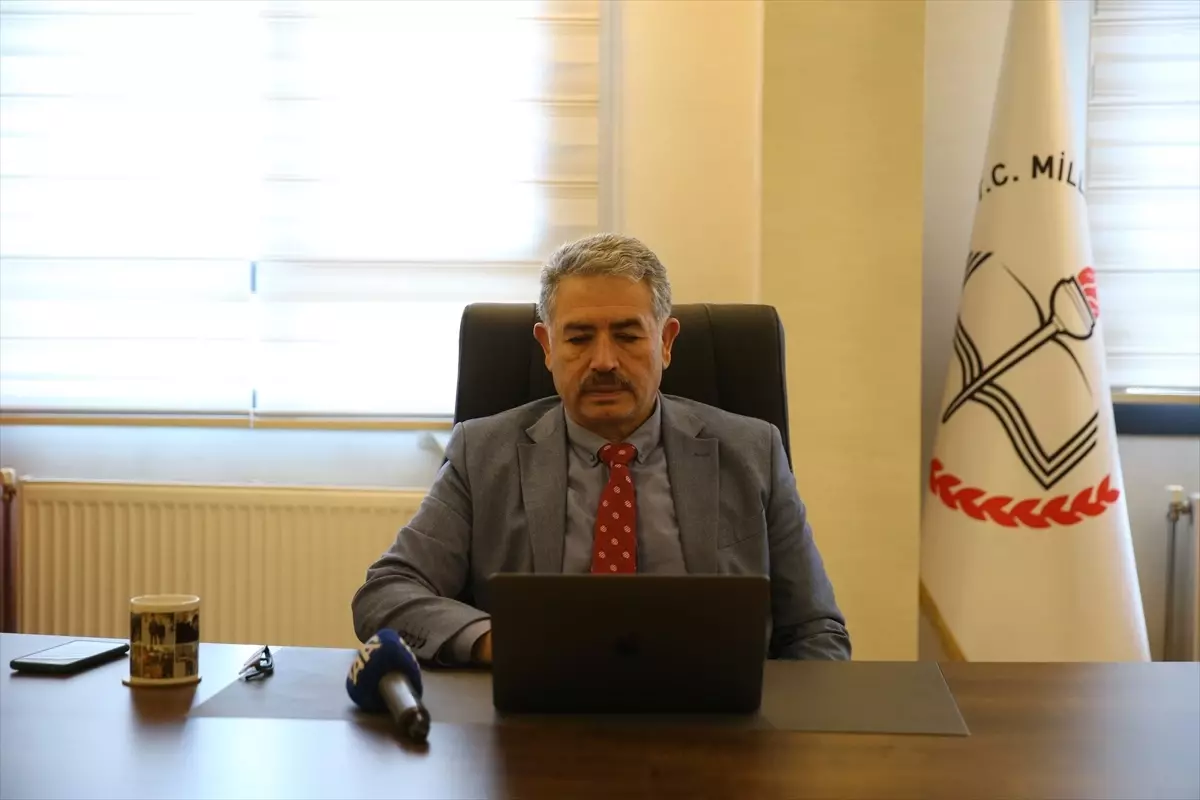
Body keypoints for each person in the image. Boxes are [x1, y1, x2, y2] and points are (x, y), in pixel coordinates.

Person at [352, 233, 851, 664]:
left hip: (717, 717)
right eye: (579, 339)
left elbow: (816, 630)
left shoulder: (753, 450)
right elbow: (386, 593)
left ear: (666, 342)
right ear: (547, 347)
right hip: (537, 716)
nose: (605, 361)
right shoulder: (481, 453)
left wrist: (783, 734)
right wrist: (495, 642)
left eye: (628, 336)